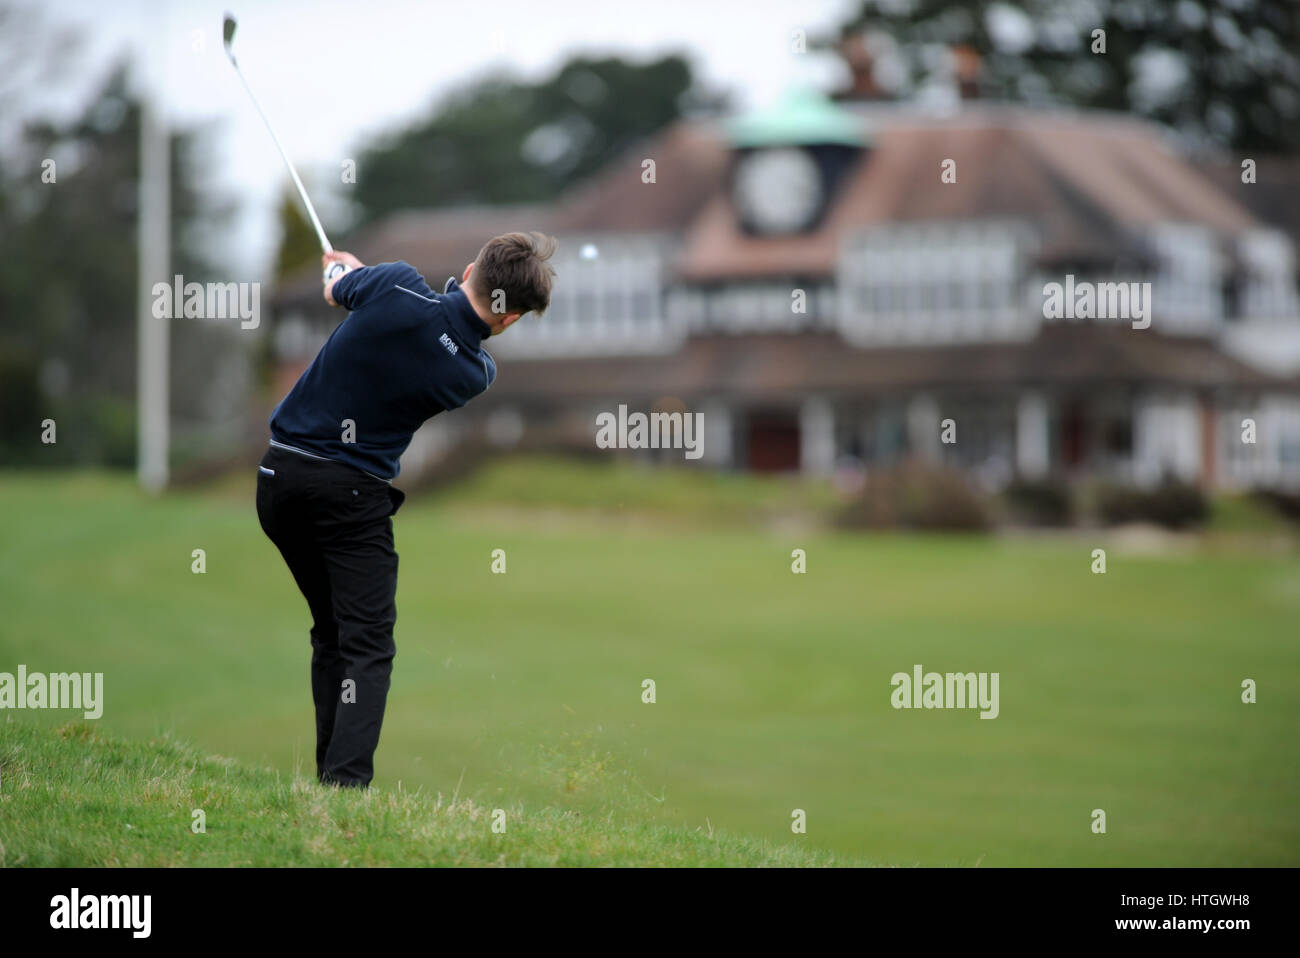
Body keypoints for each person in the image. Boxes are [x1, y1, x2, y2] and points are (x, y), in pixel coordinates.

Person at [256, 231, 557, 787]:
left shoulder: (395, 284)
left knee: (332, 633)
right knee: (367, 643)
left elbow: (341, 290)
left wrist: (342, 271)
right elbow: (443, 331)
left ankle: (331, 781)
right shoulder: (472, 375)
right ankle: (344, 787)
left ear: (470, 268)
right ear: (510, 320)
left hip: (279, 479)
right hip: (348, 497)